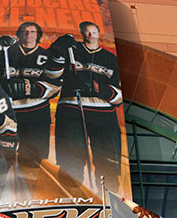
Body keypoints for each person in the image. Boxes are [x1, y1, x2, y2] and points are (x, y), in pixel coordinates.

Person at [0, 22, 62, 163]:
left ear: (38, 35)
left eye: (32, 31)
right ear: (18, 34)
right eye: (24, 31)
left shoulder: (47, 56)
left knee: (32, 162)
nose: (28, 34)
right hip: (6, 113)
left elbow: (55, 85)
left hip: (37, 115)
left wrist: (29, 89)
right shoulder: (5, 52)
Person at [51, 21, 123, 184]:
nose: (90, 35)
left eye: (93, 32)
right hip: (71, 109)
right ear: (82, 34)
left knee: (108, 163)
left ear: (99, 33)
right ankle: (71, 198)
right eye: (86, 32)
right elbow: (52, 75)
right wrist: (56, 52)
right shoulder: (70, 50)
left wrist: (99, 89)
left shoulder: (110, 59)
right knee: (71, 161)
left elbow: (119, 96)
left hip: (104, 115)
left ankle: (110, 203)